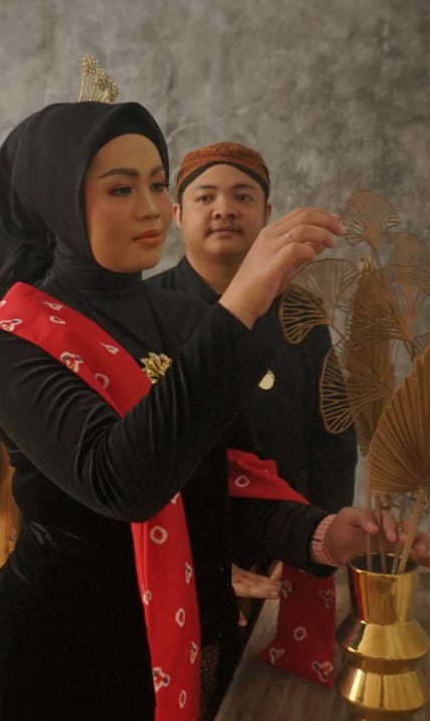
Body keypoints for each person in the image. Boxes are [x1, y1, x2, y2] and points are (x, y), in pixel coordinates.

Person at [0, 101, 430, 721]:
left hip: (194, 625)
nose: (153, 209)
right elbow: (124, 482)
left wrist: (321, 533)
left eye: (158, 185)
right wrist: (242, 306)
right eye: (121, 189)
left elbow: (219, 480)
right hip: (71, 647)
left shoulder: (182, 318)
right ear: (57, 203)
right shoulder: (14, 341)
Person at [148, 143, 358, 612]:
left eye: (242, 197)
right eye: (205, 197)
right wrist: (203, 561)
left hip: (291, 544)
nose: (224, 209)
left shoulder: (299, 312)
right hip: (182, 551)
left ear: (266, 214)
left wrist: (318, 537)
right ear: (177, 214)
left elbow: (332, 434)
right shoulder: (146, 309)